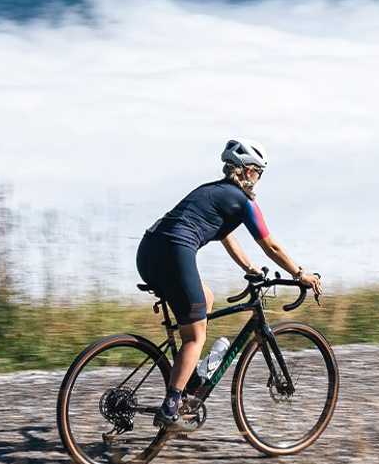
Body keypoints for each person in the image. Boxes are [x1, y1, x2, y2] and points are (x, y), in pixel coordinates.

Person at [136, 138, 322, 429]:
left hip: (148, 252)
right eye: (258, 173)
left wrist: (250, 268)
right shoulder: (243, 201)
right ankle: (171, 407)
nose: (258, 180)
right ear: (247, 171)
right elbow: (271, 245)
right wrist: (301, 274)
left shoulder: (214, 192)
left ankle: (190, 377)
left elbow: (225, 236)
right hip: (174, 252)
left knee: (205, 298)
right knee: (195, 337)